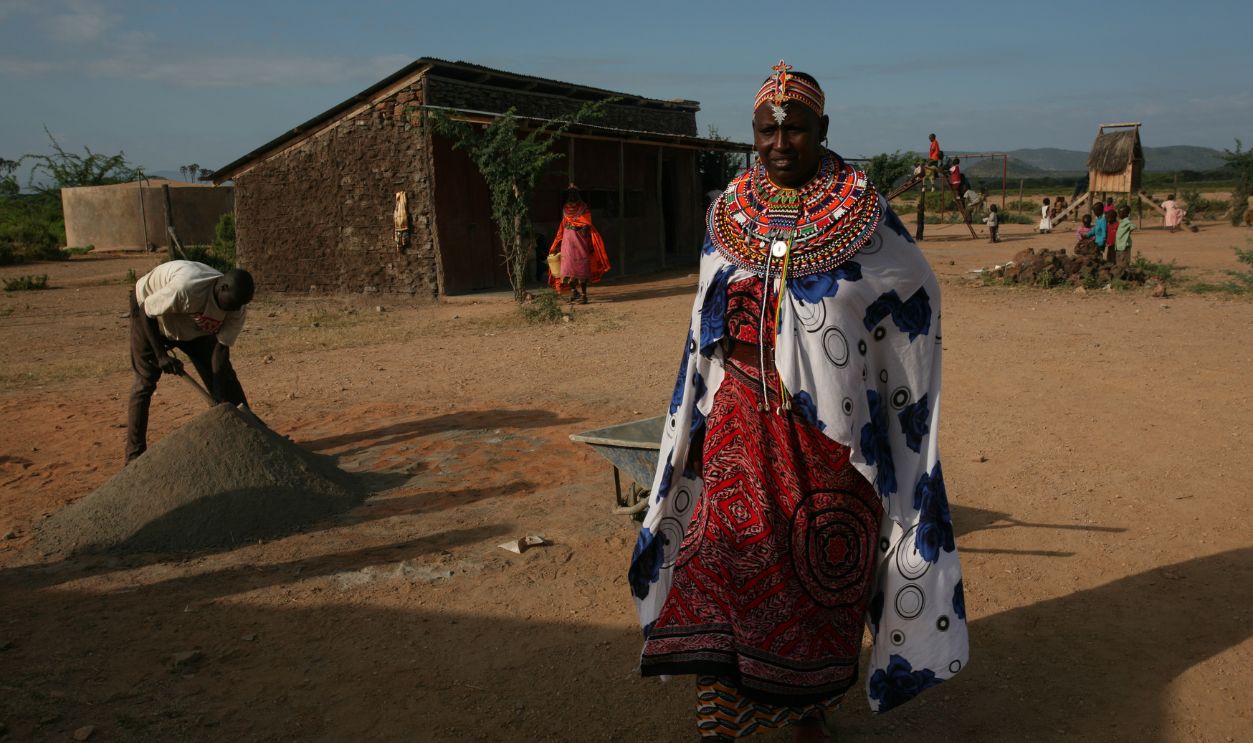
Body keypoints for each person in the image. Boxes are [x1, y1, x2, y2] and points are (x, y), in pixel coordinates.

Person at [628, 61, 968, 742]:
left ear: (822, 129)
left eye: (796, 128)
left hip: (828, 440)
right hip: (733, 429)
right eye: (766, 129)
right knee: (724, 557)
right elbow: (702, 317)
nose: (780, 141)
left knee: (817, 572)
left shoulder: (864, 216)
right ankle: (724, 714)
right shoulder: (726, 210)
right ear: (751, 133)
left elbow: (913, 293)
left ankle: (806, 705)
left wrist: (870, 385)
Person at [126, 260, 254, 463]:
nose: (236, 309)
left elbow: (220, 352)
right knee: (145, 382)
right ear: (222, 286)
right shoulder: (186, 287)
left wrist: (219, 394)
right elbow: (146, 311)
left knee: (225, 377)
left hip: (190, 326)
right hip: (149, 312)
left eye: (240, 305)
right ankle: (134, 457)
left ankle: (255, 436)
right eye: (234, 303)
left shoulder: (237, 308)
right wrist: (160, 356)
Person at [547, 185, 610, 303]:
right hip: (567, 242)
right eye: (570, 193)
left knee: (581, 269)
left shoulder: (583, 208)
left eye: (574, 193)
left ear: (578, 194)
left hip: (579, 241)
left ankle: (584, 296)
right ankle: (574, 292)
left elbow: (587, 225)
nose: (572, 195)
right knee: (567, 269)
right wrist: (557, 243)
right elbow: (563, 225)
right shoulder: (565, 208)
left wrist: (575, 227)